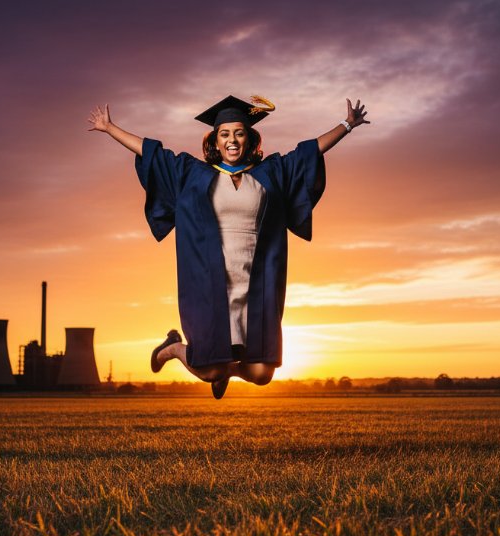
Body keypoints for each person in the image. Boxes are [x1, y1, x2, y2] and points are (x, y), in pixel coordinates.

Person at [88, 95, 369, 399]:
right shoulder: (194, 174)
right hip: (211, 283)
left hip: (256, 283)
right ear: (215, 141)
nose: (232, 140)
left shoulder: (270, 173)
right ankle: (172, 349)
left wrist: (347, 125)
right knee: (209, 369)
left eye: (239, 133)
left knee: (262, 374)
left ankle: (225, 371)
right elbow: (154, 155)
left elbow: (309, 153)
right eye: (225, 134)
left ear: (250, 138)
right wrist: (110, 128)